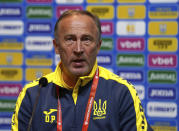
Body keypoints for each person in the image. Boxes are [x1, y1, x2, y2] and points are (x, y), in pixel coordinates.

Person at [11, 10, 153, 131]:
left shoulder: (121, 92)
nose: (78, 49)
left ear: (98, 46)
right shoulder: (33, 94)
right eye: (70, 40)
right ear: (56, 46)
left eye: (86, 39)